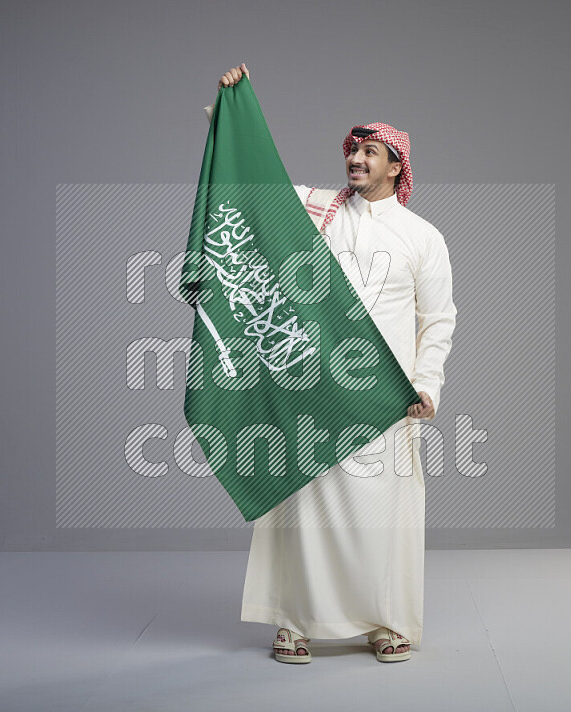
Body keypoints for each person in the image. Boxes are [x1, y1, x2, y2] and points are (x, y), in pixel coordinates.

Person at [204, 64, 457, 663]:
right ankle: (294, 622)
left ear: (396, 165)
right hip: (310, 388)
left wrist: (427, 383)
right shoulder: (314, 211)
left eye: (369, 152)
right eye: (352, 151)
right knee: (304, 507)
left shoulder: (423, 236)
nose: (356, 160)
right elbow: (251, 184)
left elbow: (438, 319)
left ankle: (384, 620)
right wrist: (230, 112)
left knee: (383, 511)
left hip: (382, 395)